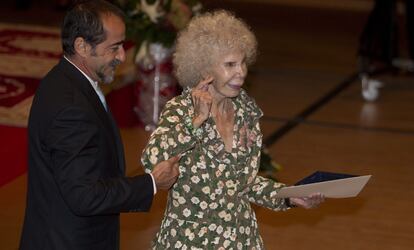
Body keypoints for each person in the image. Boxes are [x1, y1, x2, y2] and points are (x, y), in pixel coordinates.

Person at [141, 10, 325, 249]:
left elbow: (244, 185)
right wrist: (195, 122)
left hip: (241, 240)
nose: (241, 72)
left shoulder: (245, 111)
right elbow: (151, 162)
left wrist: (290, 196)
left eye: (243, 63)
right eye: (230, 65)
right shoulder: (181, 110)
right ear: (204, 69)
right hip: (189, 242)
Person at [19, 1, 179, 249]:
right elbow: (84, 196)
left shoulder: (63, 79)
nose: (122, 56)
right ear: (81, 46)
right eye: (114, 48)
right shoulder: (70, 106)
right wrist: (152, 183)